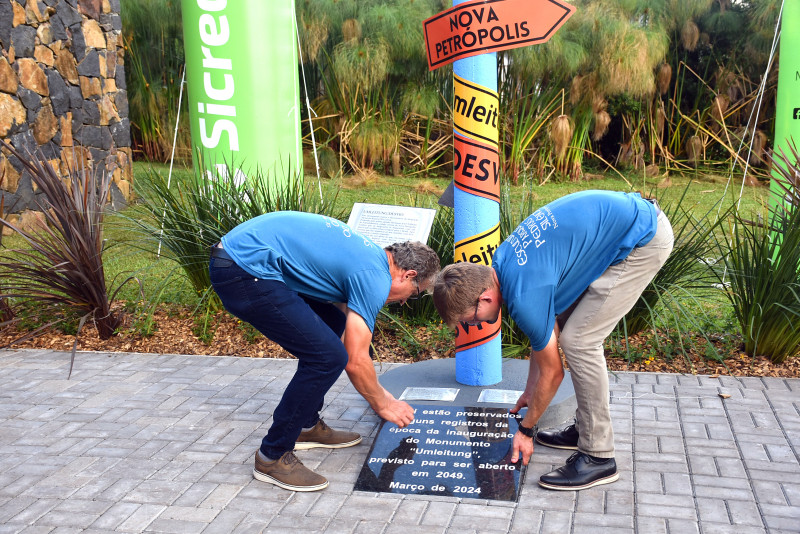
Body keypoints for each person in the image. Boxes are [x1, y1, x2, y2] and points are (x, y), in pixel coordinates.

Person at [432, 190, 673, 491]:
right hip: (624, 220)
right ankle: (585, 430)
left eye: (471, 319)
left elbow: (553, 371)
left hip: (643, 238)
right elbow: (543, 337)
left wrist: (526, 430)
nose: (475, 324)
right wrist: (531, 392)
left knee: (580, 341)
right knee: (569, 329)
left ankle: (599, 457)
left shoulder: (522, 296)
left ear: (485, 297)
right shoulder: (501, 262)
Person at [209, 211, 440, 492]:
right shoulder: (374, 276)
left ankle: (305, 426)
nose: (405, 302)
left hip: (242, 260)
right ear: (408, 275)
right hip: (243, 271)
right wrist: (383, 403)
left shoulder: (370, 255)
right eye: (414, 294)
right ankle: (272, 456)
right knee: (328, 356)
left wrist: (377, 390)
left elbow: (347, 328)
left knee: (333, 328)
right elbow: (355, 360)